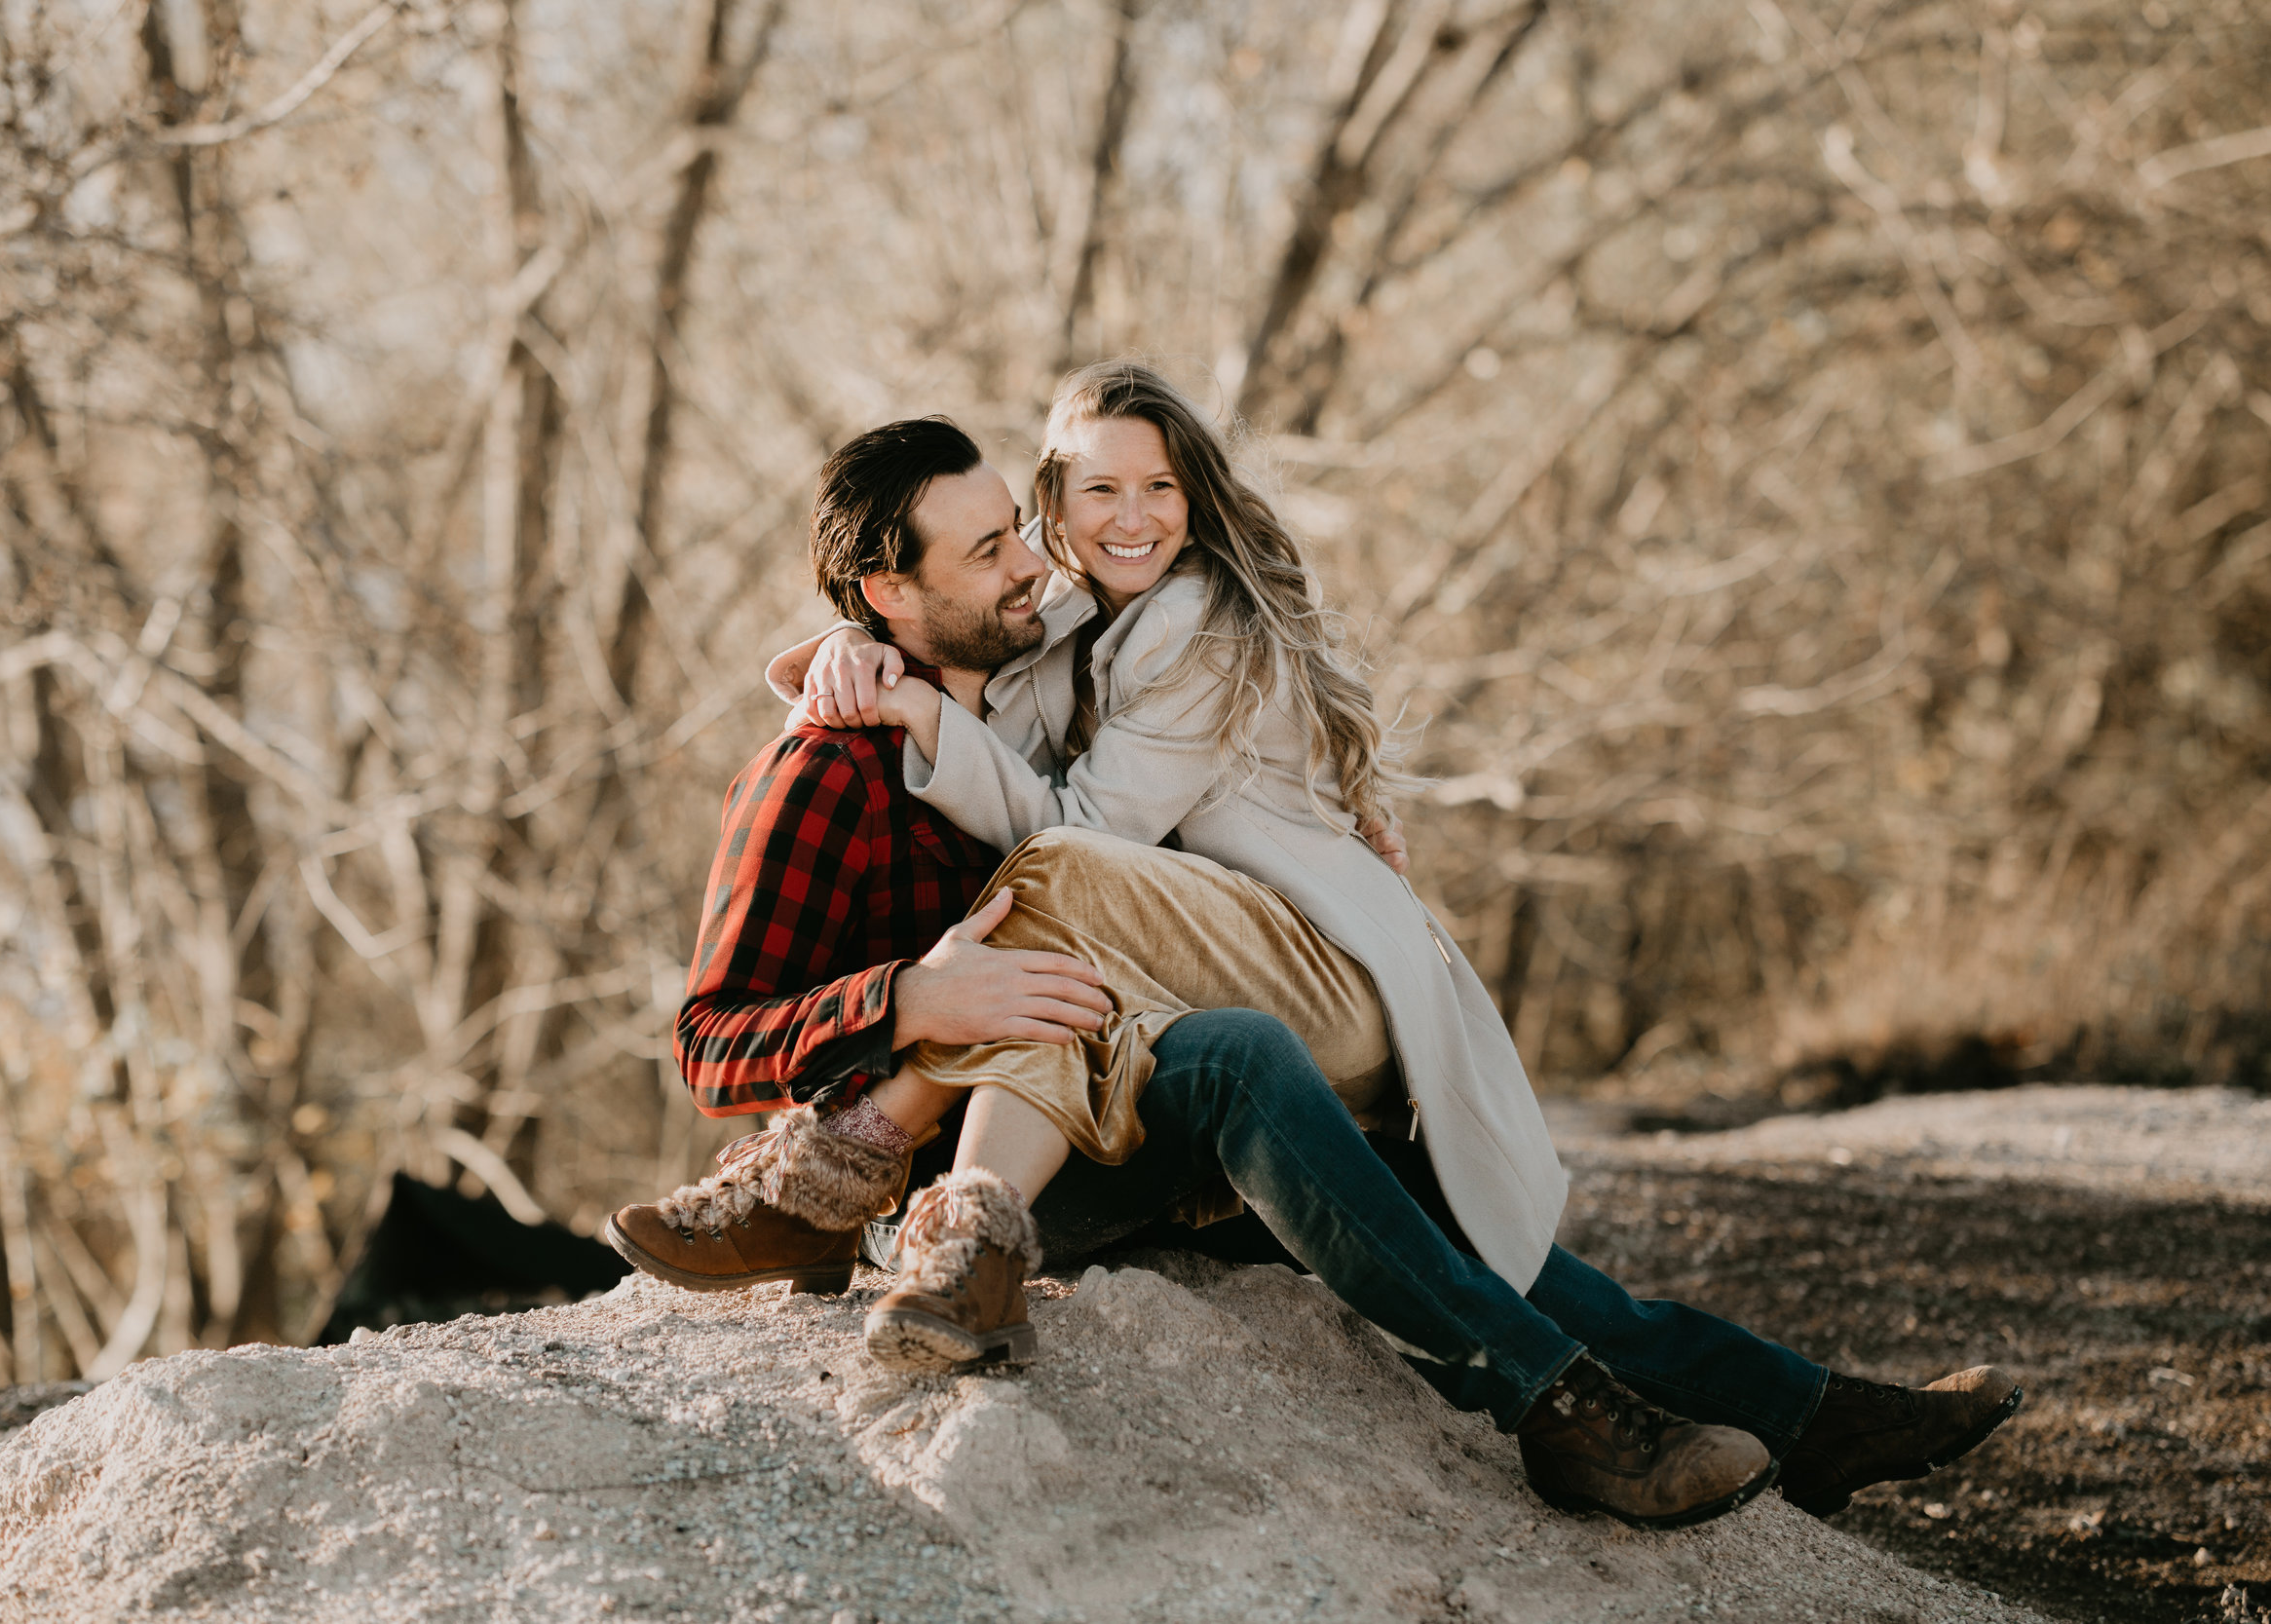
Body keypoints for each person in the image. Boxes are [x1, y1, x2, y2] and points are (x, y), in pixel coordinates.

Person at [602, 408, 2021, 1531]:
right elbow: (716, 1039)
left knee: (1363, 1152)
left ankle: (1804, 1416)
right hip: (980, 1175)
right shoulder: (821, 777)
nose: (1030, 561)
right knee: (1189, 1016)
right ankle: (1564, 1413)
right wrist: (909, 1002)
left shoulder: (1019, 707)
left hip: (1111, 1084)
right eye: (985, 554)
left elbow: (1160, 756)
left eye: (1013, 532)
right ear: (886, 590)